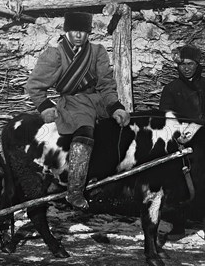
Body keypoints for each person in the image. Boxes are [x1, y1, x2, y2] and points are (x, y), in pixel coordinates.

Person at [25, 12, 131, 210]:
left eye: (83, 31)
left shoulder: (97, 52)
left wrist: (115, 107)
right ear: (67, 31)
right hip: (72, 104)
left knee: (118, 132)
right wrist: (45, 107)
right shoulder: (55, 55)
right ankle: (74, 191)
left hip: (98, 102)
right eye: (74, 31)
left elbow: (106, 85)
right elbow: (34, 86)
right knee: (85, 132)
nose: (79, 35)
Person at [159, 44, 205, 243]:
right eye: (182, 64)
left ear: (198, 64)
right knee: (179, 186)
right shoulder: (171, 89)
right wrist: (178, 135)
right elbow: (166, 117)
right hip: (180, 144)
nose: (186, 68)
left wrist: (201, 131)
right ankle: (178, 228)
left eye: (190, 64)